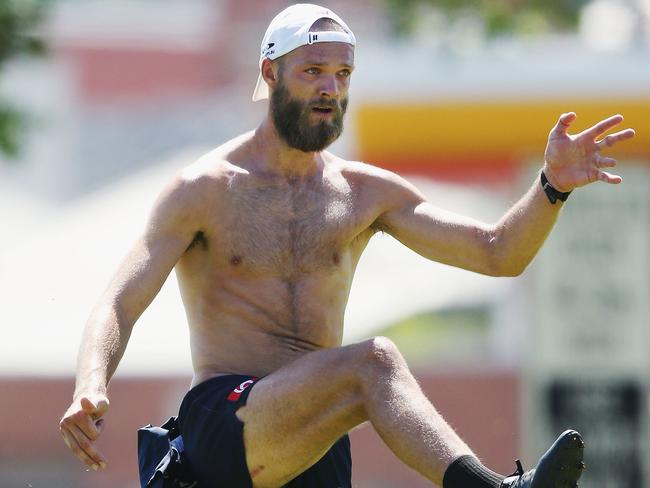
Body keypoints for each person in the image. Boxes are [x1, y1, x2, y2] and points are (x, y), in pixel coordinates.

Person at [59, 4, 635, 488]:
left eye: (343, 74)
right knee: (374, 362)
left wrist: (551, 186)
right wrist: (91, 384)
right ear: (269, 73)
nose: (331, 89)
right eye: (313, 71)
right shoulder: (203, 190)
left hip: (316, 440)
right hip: (226, 422)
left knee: (362, 374)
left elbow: (497, 253)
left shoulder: (366, 193)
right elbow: (118, 302)